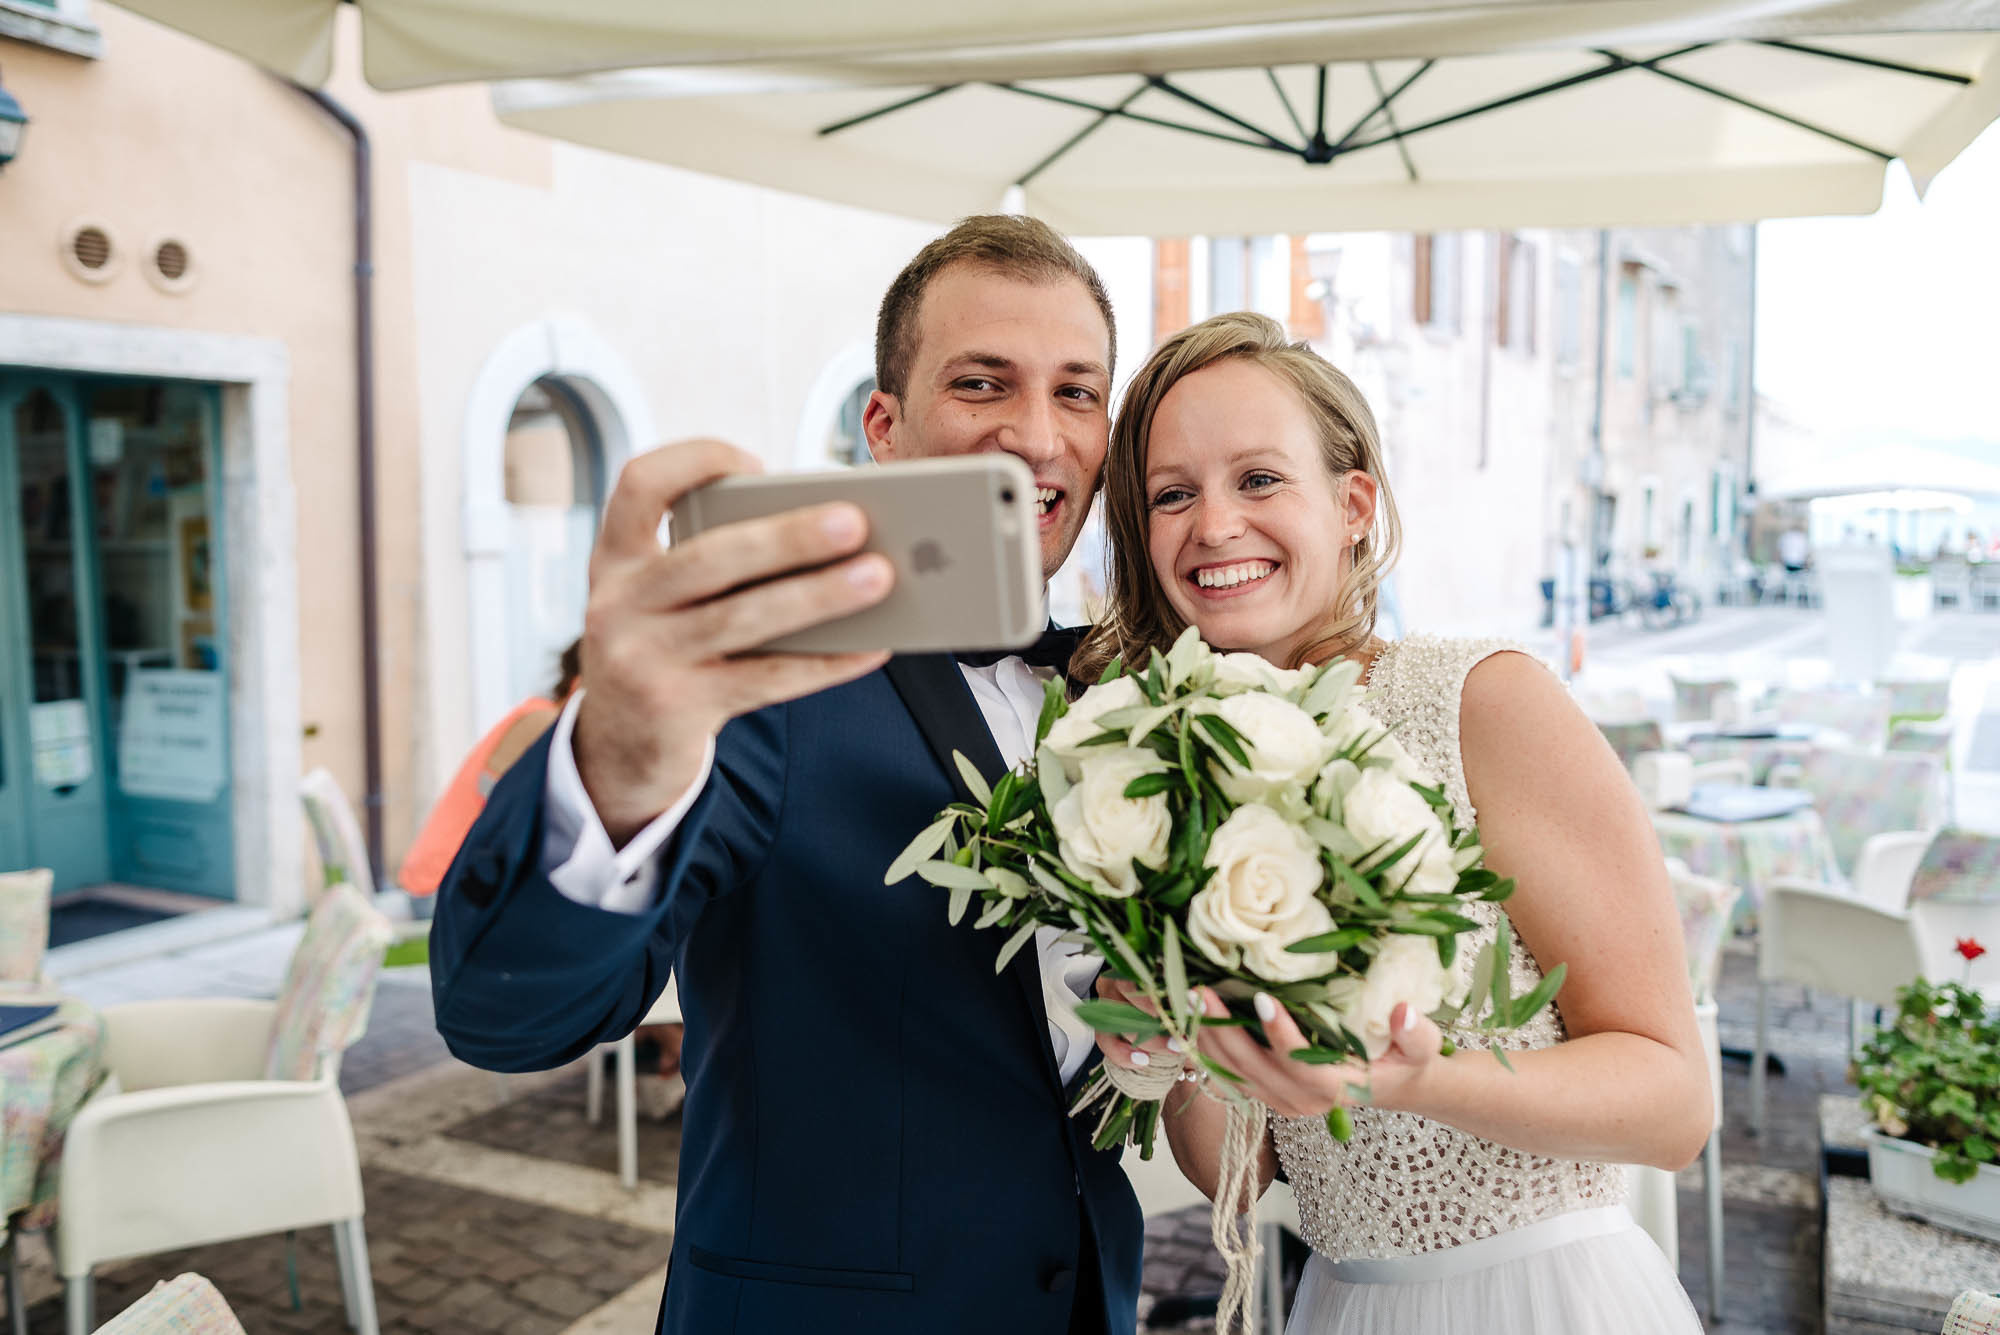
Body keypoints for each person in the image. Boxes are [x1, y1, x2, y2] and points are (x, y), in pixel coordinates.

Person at [428, 216, 1141, 1335]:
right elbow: (506, 1020)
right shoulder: (767, 690)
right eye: (980, 382)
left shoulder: (1128, 700)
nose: (1033, 435)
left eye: (1076, 392)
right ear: (883, 427)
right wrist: (620, 751)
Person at [1080, 313, 1709, 1334]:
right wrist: (1169, 1051)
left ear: (1353, 504)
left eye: (1257, 479)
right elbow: (1242, 1179)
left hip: (1544, 1301)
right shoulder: (1187, 767)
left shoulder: (1481, 702)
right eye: (1170, 494)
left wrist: (1412, 1078)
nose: (1212, 525)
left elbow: (1672, 1107)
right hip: (1343, 1303)